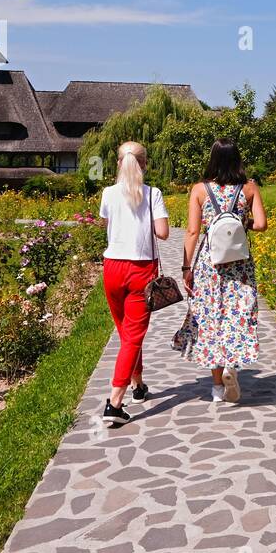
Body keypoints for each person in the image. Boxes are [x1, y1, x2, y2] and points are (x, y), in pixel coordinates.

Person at [179, 138, 267, 403]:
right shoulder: (249, 188)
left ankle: (217, 387)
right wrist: (241, 223)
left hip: (210, 264)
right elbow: (262, 224)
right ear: (237, 159)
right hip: (239, 264)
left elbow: (193, 231)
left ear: (213, 159)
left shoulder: (199, 190)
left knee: (211, 318)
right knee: (239, 315)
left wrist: (186, 267)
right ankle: (233, 365)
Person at [99, 141, 170, 427]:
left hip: (112, 267)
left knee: (126, 333)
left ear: (119, 163)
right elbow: (163, 233)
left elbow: (105, 225)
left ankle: (138, 385)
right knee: (132, 336)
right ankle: (115, 402)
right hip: (141, 269)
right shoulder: (153, 194)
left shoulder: (107, 193)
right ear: (145, 164)